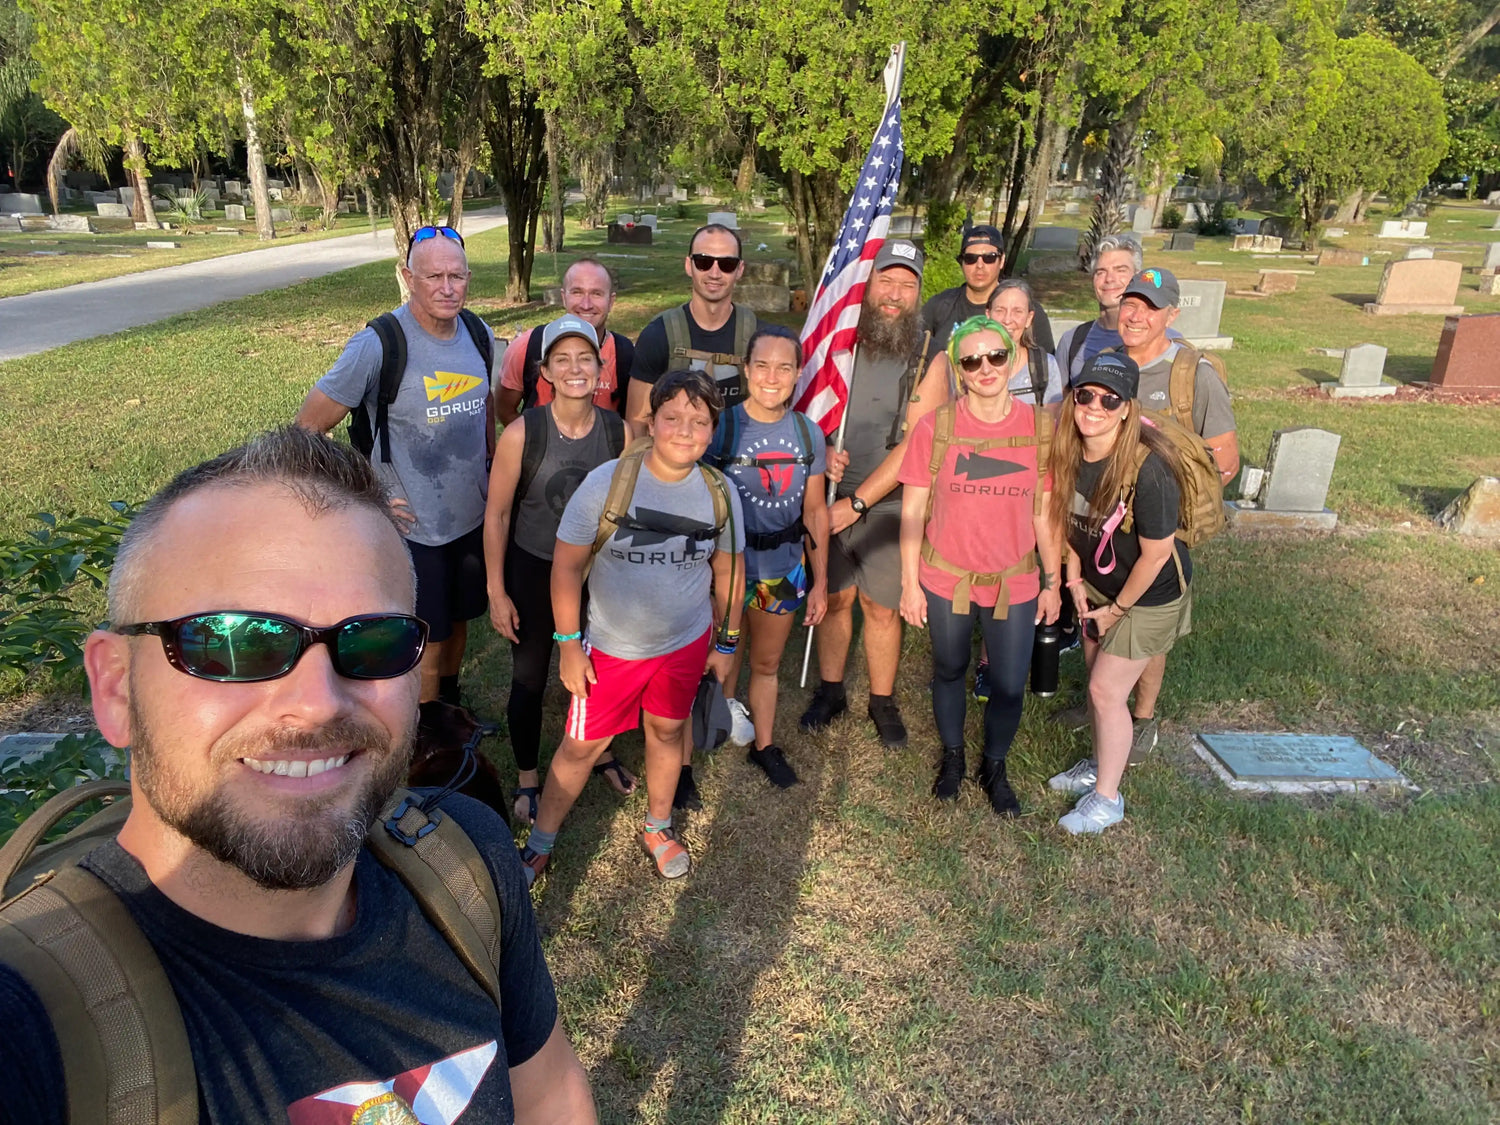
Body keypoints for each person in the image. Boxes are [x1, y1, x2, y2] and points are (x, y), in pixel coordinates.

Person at [0, 426, 595, 1121]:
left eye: (372, 640)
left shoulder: (466, 860)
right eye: (235, 640)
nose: (318, 701)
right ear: (114, 686)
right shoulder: (31, 1024)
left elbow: (549, 1092)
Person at [520, 369, 745, 883]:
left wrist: (727, 641)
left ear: (713, 430)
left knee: (668, 732)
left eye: (699, 421)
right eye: (672, 417)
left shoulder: (720, 492)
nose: (685, 431)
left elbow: (731, 572)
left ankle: (658, 827)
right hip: (612, 649)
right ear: (651, 420)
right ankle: (540, 842)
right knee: (580, 747)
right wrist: (569, 646)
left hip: (683, 645)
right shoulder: (607, 483)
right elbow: (567, 568)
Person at [296, 224, 494, 706]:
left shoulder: (478, 332)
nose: (447, 288)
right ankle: (426, 739)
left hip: (471, 518)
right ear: (408, 277)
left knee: (461, 619)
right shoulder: (378, 345)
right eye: (434, 277)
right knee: (427, 637)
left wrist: (492, 470)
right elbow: (306, 431)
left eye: (457, 276)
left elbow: (485, 411)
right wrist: (369, 493)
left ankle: (450, 710)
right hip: (412, 527)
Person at [897, 317, 1062, 814]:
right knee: (949, 668)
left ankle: (995, 764)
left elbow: (1044, 512)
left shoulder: (1040, 428)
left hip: (1015, 580)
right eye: (971, 360)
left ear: (1011, 360)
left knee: (1010, 682)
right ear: (959, 370)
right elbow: (911, 511)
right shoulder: (936, 427)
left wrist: (1051, 583)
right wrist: (909, 583)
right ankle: (952, 758)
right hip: (946, 576)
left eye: (995, 356)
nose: (985, 367)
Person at [483, 315, 635, 826]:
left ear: (602, 369)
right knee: (530, 675)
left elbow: (634, 506)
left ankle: (600, 751)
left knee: (601, 668)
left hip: (598, 572)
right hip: (533, 566)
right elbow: (498, 514)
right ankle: (528, 777)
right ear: (545, 370)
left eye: (586, 359)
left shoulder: (619, 433)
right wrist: (496, 591)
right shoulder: (524, 433)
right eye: (563, 360)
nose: (576, 369)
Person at [801, 239, 945, 749]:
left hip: (885, 501)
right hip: (830, 491)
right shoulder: (839, 340)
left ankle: (882, 700)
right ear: (868, 282)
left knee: (880, 607)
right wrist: (823, 454)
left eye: (908, 285)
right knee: (836, 598)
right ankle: (832, 689)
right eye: (887, 280)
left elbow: (917, 447)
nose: (895, 293)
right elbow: (810, 410)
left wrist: (857, 501)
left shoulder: (931, 355)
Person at [1045, 354, 1195, 834]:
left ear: (1127, 408)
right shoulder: (1068, 449)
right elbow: (1069, 523)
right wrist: (1072, 577)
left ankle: (1107, 799)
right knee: (1096, 677)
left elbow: (1154, 556)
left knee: (1105, 690)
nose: (1093, 407)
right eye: (1085, 394)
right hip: (1096, 584)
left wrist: (1117, 611)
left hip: (1148, 596)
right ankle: (1097, 763)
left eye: (1109, 399)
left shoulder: (1149, 470)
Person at [1115, 266, 1238, 758]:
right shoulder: (1109, 363)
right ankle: (1102, 699)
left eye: (1148, 306)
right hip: (1106, 520)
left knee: (1150, 622)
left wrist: (1165, 502)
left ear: (1171, 313)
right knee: (1107, 606)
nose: (1135, 315)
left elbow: (1224, 460)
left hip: (1163, 526)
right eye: (1130, 303)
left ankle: (1142, 719)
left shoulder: (1193, 375)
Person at [705, 325, 830, 788]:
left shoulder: (807, 433)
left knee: (768, 662)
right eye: (762, 365)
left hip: (783, 569)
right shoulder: (724, 428)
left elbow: (815, 510)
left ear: (798, 373)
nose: (772, 377)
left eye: (784, 367)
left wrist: (819, 581)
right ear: (746, 369)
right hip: (730, 572)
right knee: (722, 654)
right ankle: (709, 733)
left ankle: (764, 744)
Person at [625, 223, 757, 426]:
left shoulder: (759, 337)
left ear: (739, 270)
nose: (715, 273)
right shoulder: (658, 335)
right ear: (689, 265)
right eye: (703, 262)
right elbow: (638, 422)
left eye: (727, 264)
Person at [495, 258, 634, 422]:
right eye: (577, 292)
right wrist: (531, 442)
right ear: (564, 297)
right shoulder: (528, 346)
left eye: (596, 293)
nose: (586, 304)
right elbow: (505, 409)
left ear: (610, 301)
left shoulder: (626, 354)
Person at [920, 224, 1055, 356]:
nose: (979, 265)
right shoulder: (938, 307)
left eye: (989, 258)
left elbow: (1045, 366)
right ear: (962, 262)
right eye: (970, 258)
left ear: (1001, 261)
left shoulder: (1026, 311)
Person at [1053, 234, 1146, 382]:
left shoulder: (1161, 340)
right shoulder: (1072, 341)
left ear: (1137, 276)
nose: (1109, 279)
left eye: (1120, 270)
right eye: (1101, 272)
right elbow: (1059, 402)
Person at [984, 280, 1065, 407]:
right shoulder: (971, 364)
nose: (1007, 320)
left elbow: (1050, 422)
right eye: (1000, 310)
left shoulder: (1044, 366)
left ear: (1029, 319)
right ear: (988, 315)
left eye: (1017, 311)